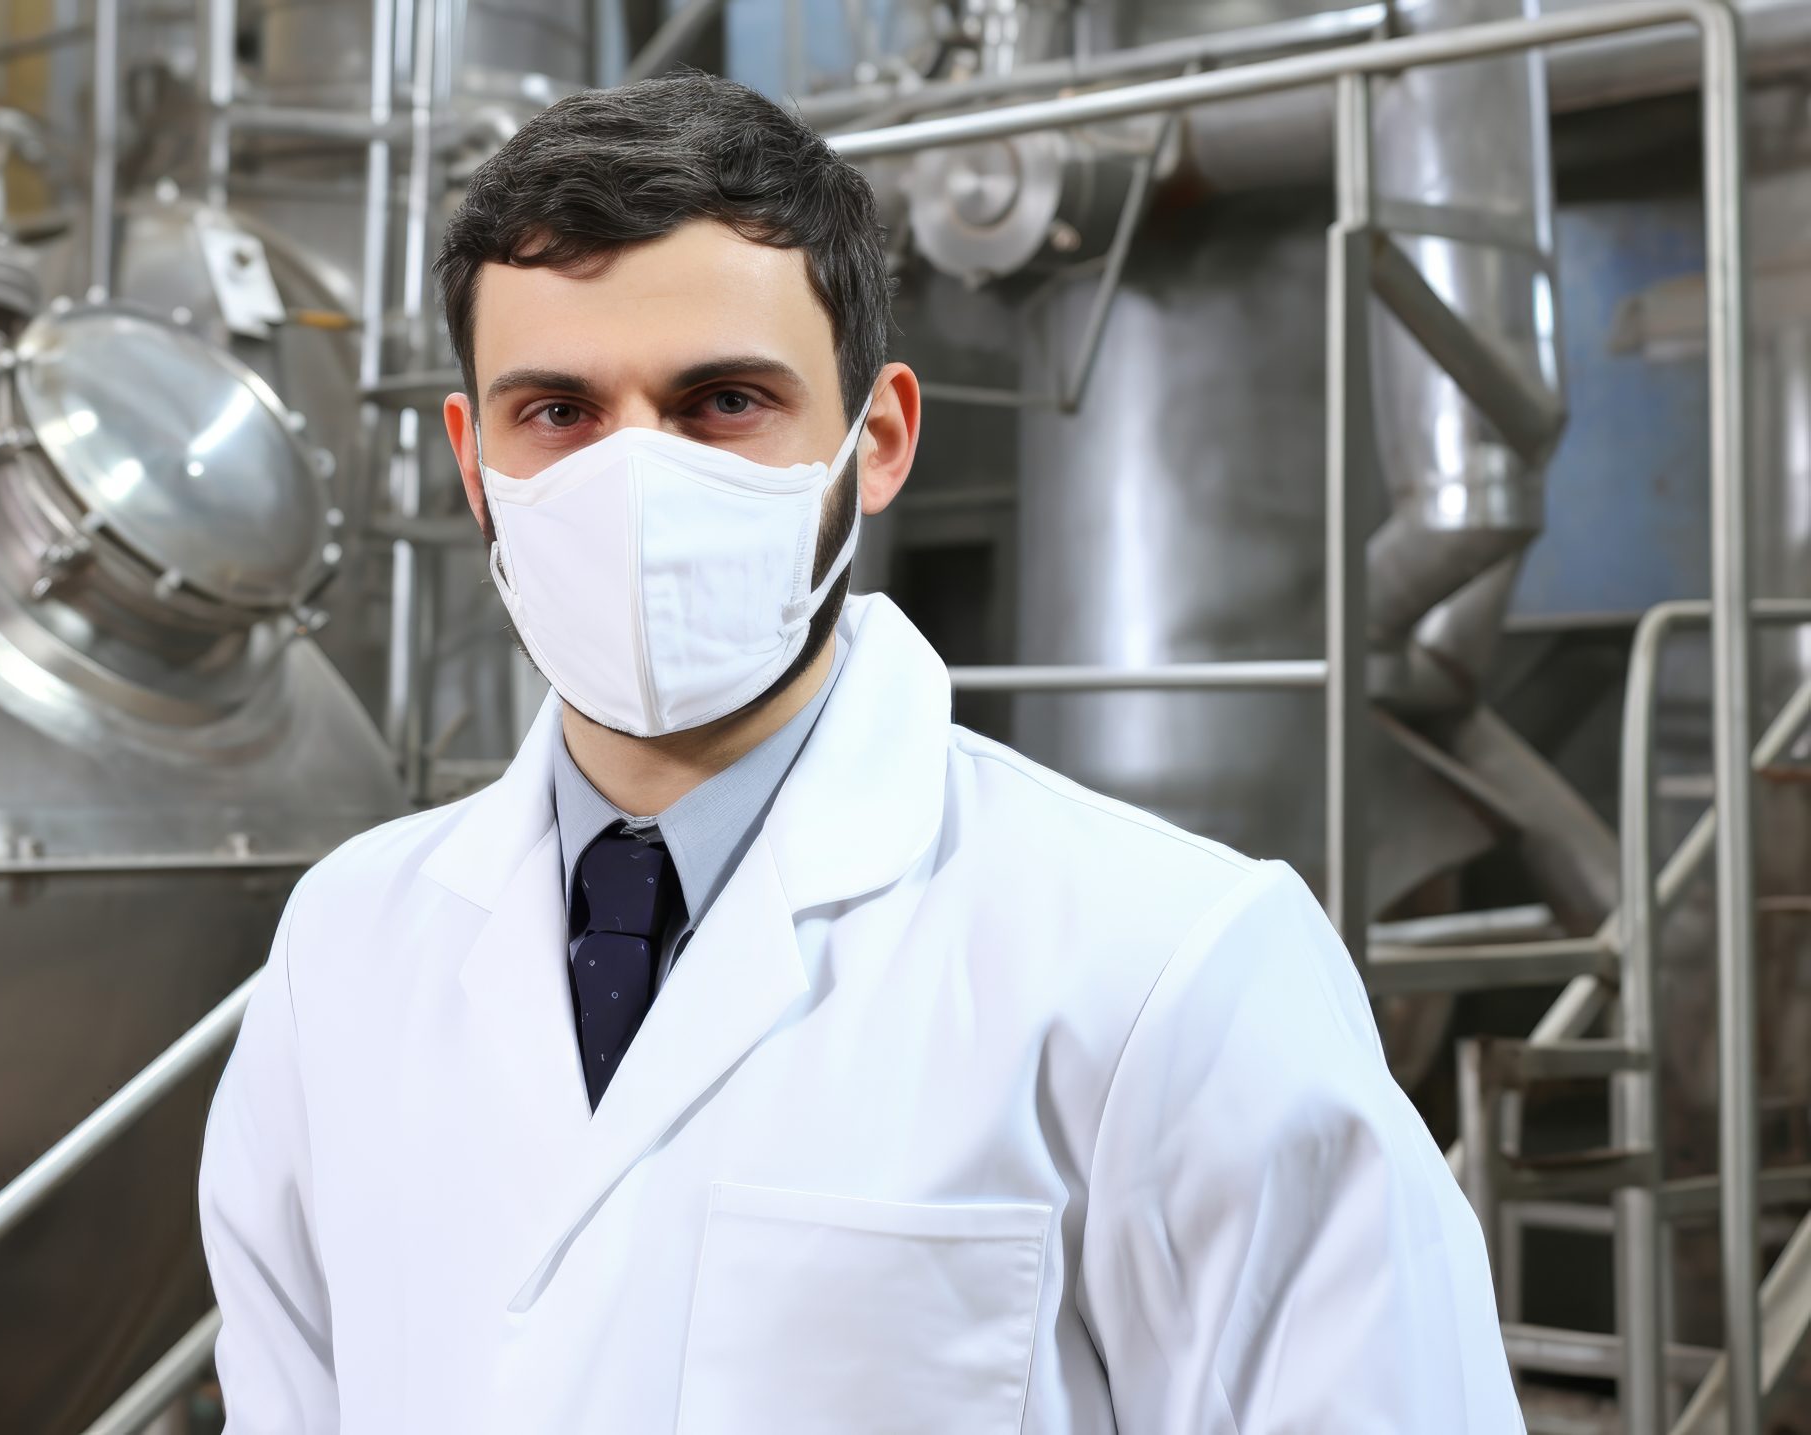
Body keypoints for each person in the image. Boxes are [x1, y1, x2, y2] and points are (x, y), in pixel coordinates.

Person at [199, 72, 1521, 1433]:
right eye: (560, 412)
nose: (634, 481)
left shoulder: (1170, 969)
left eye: (721, 402)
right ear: (474, 462)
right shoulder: (346, 950)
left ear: (876, 440)